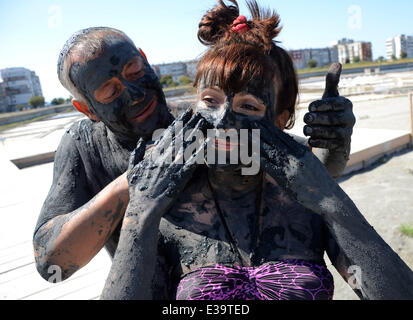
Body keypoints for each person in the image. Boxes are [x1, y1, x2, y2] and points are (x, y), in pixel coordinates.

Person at [100, 0, 413, 300]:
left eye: (248, 106)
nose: (223, 122)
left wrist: (330, 200)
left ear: (280, 120)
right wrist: (141, 212)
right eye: (210, 101)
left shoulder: (304, 194)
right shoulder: (172, 204)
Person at [33, 23, 354, 282]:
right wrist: (134, 183)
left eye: (134, 71)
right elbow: (52, 266)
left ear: (146, 59)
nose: (134, 95)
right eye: (110, 91)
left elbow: (295, 179)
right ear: (86, 108)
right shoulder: (85, 145)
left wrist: (330, 145)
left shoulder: (201, 117)